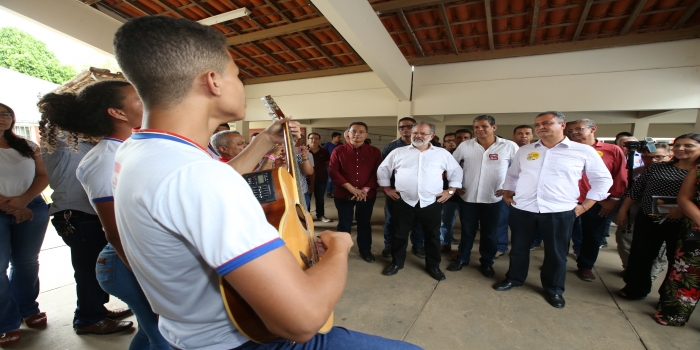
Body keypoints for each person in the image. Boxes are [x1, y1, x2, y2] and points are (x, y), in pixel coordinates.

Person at [112, 16, 419, 349]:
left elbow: (200, 186)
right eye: (238, 76)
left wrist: (262, 143)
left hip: (183, 335)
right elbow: (302, 320)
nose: (241, 85)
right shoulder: (198, 176)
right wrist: (340, 249)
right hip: (246, 341)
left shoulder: (137, 151)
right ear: (213, 81)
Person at [38, 80, 169, 348]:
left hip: (144, 257)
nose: (149, 101)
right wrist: (150, 282)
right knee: (163, 336)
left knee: (150, 333)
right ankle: (90, 315)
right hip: (129, 263)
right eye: (138, 98)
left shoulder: (134, 147)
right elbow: (116, 231)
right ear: (118, 113)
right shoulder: (105, 158)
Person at [494, 111, 612, 309]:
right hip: (523, 209)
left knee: (556, 254)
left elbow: (602, 180)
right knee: (519, 249)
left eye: (546, 123)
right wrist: (507, 193)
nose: (541, 126)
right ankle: (514, 278)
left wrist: (586, 206)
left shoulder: (582, 151)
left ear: (562, 125)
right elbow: (513, 175)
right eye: (538, 124)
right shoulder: (525, 151)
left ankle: (554, 289)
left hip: (559, 212)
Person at [38, 101, 134, 335]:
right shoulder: (61, 139)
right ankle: (88, 318)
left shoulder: (84, 140)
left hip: (86, 213)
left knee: (94, 265)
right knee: (88, 268)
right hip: (77, 214)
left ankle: (95, 309)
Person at [616, 133, 700, 300]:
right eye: (677, 145)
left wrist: (682, 211)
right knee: (640, 255)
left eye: (688, 145)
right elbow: (635, 191)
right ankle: (635, 288)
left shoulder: (697, 173)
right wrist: (623, 211)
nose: (680, 149)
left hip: (683, 223)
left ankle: (669, 296)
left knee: (676, 261)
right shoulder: (658, 167)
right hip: (649, 218)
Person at [378, 122, 461, 280]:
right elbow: (383, 169)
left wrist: (451, 191)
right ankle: (397, 262)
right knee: (399, 234)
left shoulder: (442, 154)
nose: (418, 136)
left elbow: (456, 171)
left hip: (431, 202)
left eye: (423, 133)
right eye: (415, 132)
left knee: (432, 236)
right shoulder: (398, 152)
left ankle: (433, 265)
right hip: (403, 201)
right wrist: (387, 188)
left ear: (432, 136)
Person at [0, 103, 50, 347]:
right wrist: (11, 205)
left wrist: (23, 201)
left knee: (26, 262)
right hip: (6, 208)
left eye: (6, 113)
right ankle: (6, 321)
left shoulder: (28, 146)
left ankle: (27, 308)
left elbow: (43, 176)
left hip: (32, 206)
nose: (2, 118)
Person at [447, 116, 518, 278]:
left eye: (484, 126)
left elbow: (521, 169)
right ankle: (462, 258)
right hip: (468, 197)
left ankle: (486, 262)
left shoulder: (508, 146)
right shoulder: (466, 145)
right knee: (467, 231)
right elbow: (451, 165)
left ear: (494, 127)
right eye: (476, 127)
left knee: (489, 233)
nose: (479, 130)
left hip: (494, 198)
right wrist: (455, 184)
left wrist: (510, 188)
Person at [566, 119, 627, 282]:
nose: (574, 133)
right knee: (561, 234)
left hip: (598, 202)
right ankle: (557, 262)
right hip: (568, 200)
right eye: (570, 131)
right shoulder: (565, 149)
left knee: (593, 236)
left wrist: (613, 200)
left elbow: (620, 177)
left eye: (578, 129)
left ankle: (585, 266)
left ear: (593, 129)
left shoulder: (612, 150)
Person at [657, 146, 700, 326]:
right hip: (697, 227)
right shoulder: (697, 170)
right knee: (688, 273)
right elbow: (684, 198)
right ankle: (674, 314)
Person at [615, 144, 672, 278]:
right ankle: (632, 271)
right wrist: (623, 211)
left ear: (669, 156)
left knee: (657, 250)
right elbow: (630, 194)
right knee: (625, 242)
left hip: (661, 218)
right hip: (634, 216)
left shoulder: (677, 173)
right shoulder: (634, 173)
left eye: (658, 157)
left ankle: (649, 275)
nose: (652, 160)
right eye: (647, 157)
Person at [330, 122, 382, 263]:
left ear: (366, 134)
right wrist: (352, 189)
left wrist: (364, 189)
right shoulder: (338, 151)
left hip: (366, 195)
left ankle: (365, 250)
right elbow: (334, 171)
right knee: (344, 224)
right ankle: (341, 251)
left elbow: (378, 173)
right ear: (348, 133)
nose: (356, 134)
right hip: (343, 194)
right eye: (353, 131)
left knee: (364, 223)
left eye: (360, 132)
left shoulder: (375, 152)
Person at [381, 117, 425, 259]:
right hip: (396, 193)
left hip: (421, 193)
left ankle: (418, 246)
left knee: (418, 221)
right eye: (401, 127)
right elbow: (382, 170)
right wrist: (387, 189)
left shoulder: (428, 145)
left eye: (409, 126)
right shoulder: (392, 147)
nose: (405, 129)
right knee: (392, 220)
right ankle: (389, 245)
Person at [495, 125, 534, 258]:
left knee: (522, 225)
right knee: (501, 220)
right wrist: (505, 188)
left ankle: (523, 247)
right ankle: (500, 246)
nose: (523, 136)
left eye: (527, 133)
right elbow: (506, 173)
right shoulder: (507, 149)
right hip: (506, 192)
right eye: (520, 133)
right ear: (513, 136)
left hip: (526, 194)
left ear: (532, 136)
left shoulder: (536, 152)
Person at [308, 133, 332, 223]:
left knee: (320, 198)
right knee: (307, 199)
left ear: (319, 140)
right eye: (311, 138)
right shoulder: (304, 150)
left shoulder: (324, 151)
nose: (314, 140)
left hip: (321, 178)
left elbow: (327, 164)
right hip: (306, 179)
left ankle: (320, 215)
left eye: (316, 138)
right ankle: (307, 216)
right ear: (308, 139)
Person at [323, 132, 343, 198]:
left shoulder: (341, 145)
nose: (340, 139)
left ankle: (334, 191)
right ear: (333, 137)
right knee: (330, 179)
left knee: (337, 178)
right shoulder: (327, 145)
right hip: (330, 164)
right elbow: (323, 153)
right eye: (338, 137)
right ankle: (328, 192)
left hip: (338, 164)